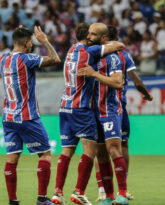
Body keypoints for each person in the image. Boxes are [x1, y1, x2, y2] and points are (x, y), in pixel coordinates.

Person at [52, 23, 125, 205]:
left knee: (67, 151)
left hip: (65, 106)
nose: (92, 37)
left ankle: (57, 193)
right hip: (82, 108)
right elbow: (120, 46)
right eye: (91, 34)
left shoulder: (71, 50)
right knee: (91, 152)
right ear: (88, 37)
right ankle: (79, 192)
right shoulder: (90, 51)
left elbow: (117, 81)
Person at [0, 26, 61, 205]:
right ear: (27, 42)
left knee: (12, 159)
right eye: (31, 43)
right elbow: (55, 59)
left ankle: (13, 201)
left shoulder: (3, 59)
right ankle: (42, 199)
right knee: (45, 155)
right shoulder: (27, 59)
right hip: (27, 116)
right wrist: (45, 41)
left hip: (8, 117)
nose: (32, 45)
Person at [93, 26, 153, 203]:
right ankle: (122, 189)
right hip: (117, 106)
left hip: (100, 107)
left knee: (101, 149)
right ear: (116, 37)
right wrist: (146, 94)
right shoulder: (123, 55)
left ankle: (103, 190)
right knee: (121, 146)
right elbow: (136, 79)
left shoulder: (95, 53)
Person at [76, 23, 128, 205]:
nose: (88, 37)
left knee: (114, 149)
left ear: (103, 38)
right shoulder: (90, 55)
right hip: (92, 113)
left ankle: (123, 194)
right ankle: (109, 196)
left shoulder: (112, 58)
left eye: (93, 34)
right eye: (89, 33)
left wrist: (94, 74)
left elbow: (118, 83)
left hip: (109, 111)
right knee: (101, 155)